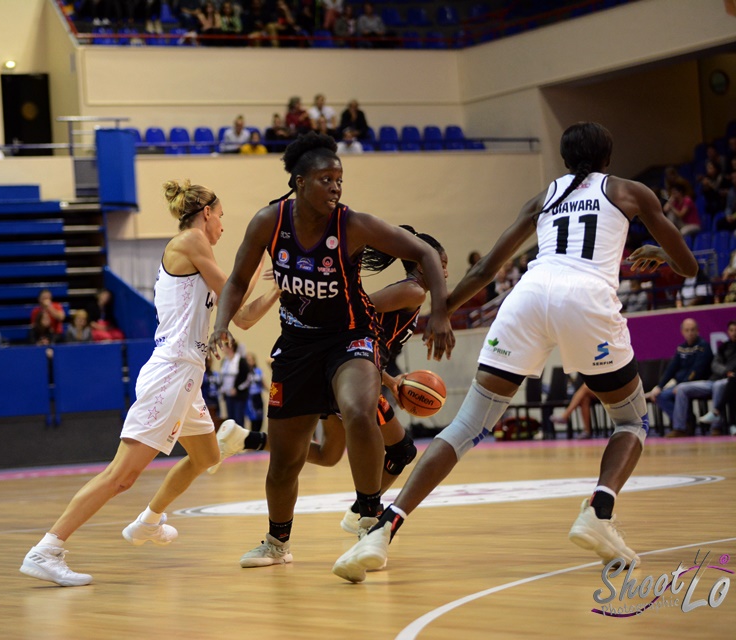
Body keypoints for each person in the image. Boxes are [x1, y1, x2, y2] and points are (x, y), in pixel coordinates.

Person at [332, 122, 698, 583]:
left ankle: (382, 531)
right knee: (631, 421)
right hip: (586, 298)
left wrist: (441, 311)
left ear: (564, 159)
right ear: (608, 157)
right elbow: (688, 266)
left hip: (528, 295)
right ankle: (599, 512)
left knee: (466, 426)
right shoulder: (629, 191)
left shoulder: (544, 196)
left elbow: (487, 268)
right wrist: (661, 255)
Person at [207, 132, 452, 569]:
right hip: (297, 344)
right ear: (300, 182)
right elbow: (238, 279)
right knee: (287, 459)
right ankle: (276, 543)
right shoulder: (269, 221)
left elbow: (425, 254)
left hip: (350, 336)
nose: (336, 187)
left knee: (358, 410)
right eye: (326, 179)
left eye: (339, 179)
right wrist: (221, 324)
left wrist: (441, 314)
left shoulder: (353, 224)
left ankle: (369, 518)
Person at [19, 178, 279, 587]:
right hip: (172, 372)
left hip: (186, 374)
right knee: (121, 476)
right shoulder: (191, 241)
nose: (222, 225)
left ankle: (149, 520)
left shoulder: (198, 250)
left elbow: (242, 316)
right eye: (221, 217)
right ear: (206, 213)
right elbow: (235, 290)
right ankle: (46, 549)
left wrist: (279, 286)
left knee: (206, 457)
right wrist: (263, 253)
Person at [211, 229, 450, 535]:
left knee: (328, 455)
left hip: (348, 368)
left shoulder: (415, 292)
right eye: (441, 264)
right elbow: (358, 314)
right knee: (402, 450)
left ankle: (246, 439)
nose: (445, 272)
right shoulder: (413, 291)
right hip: (351, 369)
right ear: (422, 264)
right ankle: (363, 513)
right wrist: (387, 380)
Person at [645, 317, 712, 438]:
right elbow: (671, 369)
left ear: (698, 331)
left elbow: (697, 370)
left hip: (698, 383)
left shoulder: (703, 346)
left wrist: (683, 384)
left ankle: (680, 427)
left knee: (680, 390)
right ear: (682, 332)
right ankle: (686, 420)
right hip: (680, 384)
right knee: (661, 396)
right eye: (687, 330)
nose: (690, 333)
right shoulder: (681, 348)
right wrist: (660, 386)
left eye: (692, 330)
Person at [679, 321, 736, 437]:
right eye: (732, 330)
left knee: (725, 384)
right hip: (716, 378)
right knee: (681, 388)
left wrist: (731, 373)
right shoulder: (724, 347)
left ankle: (716, 425)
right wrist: (725, 371)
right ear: (728, 332)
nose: (734, 333)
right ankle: (679, 428)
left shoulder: (703, 345)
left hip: (729, 380)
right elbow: (715, 364)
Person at [219, 338, 251, 426]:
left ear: (230, 347)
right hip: (228, 395)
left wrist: (237, 389)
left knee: (238, 418)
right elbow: (222, 377)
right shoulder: (225, 361)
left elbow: (248, 378)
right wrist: (222, 388)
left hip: (238, 396)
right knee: (230, 419)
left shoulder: (240, 360)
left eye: (225, 346)